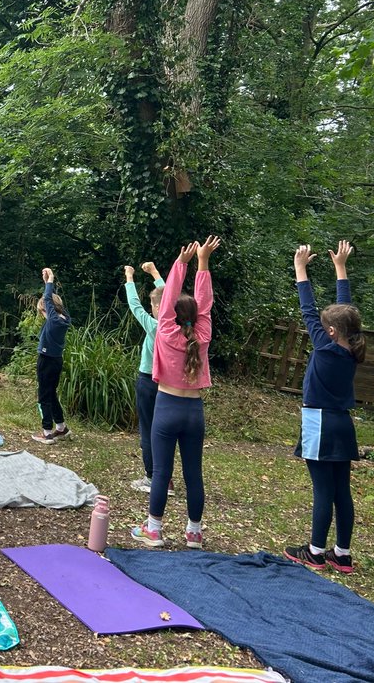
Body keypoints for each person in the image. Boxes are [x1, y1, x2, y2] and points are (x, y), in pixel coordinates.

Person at [131, 235, 221, 549]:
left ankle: (153, 530)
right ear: (196, 317)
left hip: (167, 408)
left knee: (161, 472)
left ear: (171, 314)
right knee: (194, 473)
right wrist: (203, 262)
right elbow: (205, 303)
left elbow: (167, 297)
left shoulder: (165, 330)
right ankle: (194, 533)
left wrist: (182, 263)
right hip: (194, 412)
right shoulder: (203, 333)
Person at [284, 241, 365, 574]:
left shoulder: (325, 345)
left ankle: (316, 553)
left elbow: (308, 308)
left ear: (330, 332)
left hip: (319, 423)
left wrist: (300, 268)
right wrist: (340, 268)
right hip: (343, 425)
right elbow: (345, 311)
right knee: (341, 491)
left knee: (323, 491)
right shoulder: (349, 346)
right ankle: (341, 555)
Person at [123, 261, 166, 492]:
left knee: (148, 430)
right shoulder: (177, 326)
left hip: (148, 382)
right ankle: (164, 476)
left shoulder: (156, 327)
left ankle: (152, 478)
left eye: (153, 304)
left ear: (159, 307)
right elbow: (169, 296)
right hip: (169, 386)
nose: (150, 308)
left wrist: (129, 278)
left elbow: (134, 306)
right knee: (163, 432)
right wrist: (155, 273)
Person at [31, 268, 72, 444]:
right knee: (51, 393)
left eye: (43, 311)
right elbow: (52, 302)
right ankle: (61, 428)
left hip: (46, 361)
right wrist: (46, 282)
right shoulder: (65, 318)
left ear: (48, 310)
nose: (43, 314)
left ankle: (47, 432)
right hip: (56, 361)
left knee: (44, 396)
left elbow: (48, 300)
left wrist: (50, 280)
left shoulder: (54, 321)